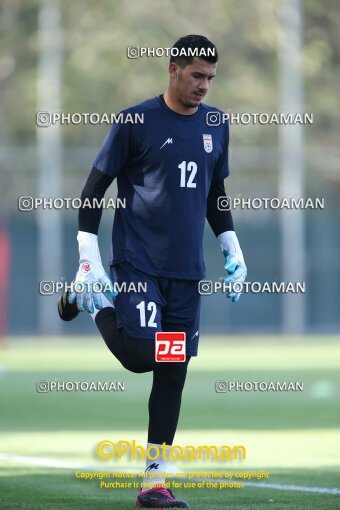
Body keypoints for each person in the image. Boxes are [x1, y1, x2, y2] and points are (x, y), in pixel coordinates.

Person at [58, 34, 247, 509]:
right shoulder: (135, 121)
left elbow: (214, 192)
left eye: (211, 78)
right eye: (196, 75)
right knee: (142, 356)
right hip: (138, 262)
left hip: (186, 272)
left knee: (173, 370)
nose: (204, 85)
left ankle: (154, 484)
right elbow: (92, 191)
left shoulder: (217, 124)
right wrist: (88, 256)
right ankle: (95, 300)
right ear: (173, 69)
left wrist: (230, 241)